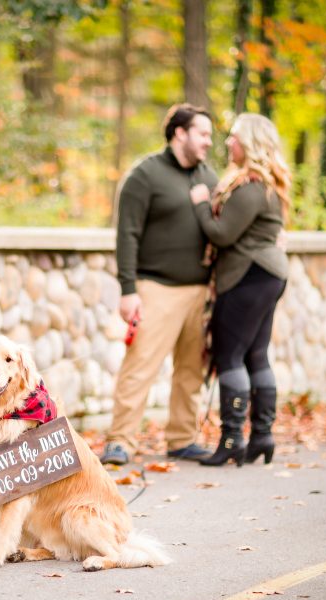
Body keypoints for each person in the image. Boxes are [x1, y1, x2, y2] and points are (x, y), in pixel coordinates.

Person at [100, 103, 219, 466]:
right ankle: (120, 441)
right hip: (155, 288)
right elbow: (127, 235)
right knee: (140, 367)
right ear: (179, 133)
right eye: (202, 134)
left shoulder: (209, 178)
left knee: (191, 370)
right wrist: (128, 289)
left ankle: (182, 438)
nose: (208, 142)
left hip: (201, 290)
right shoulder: (145, 175)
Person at [188, 113, 291, 467]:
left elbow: (221, 234)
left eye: (234, 137)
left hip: (248, 276)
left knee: (229, 356)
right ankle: (261, 436)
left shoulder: (250, 188)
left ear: (249, 143)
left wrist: (201, 203)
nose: (228, 143)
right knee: (256, 355)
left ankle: (232, 439)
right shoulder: (265, 185)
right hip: (267, 276)